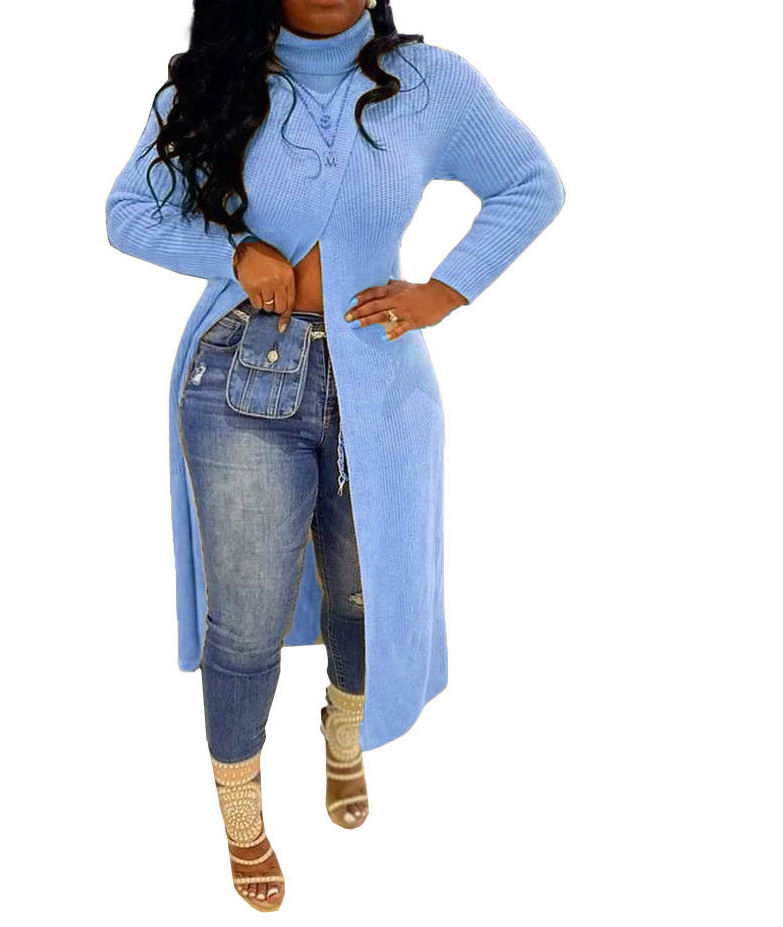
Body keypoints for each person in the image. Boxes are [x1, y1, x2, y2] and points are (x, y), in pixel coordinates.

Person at [106, 0, 564, 911]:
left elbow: (529, 183)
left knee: (366, 590)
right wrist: (234, 251)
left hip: (382, 384)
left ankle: (343, 732)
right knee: (244, 623)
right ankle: (242, 813)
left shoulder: (429, 83)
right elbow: (127, 213)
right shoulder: (219, 82)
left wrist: (445, 290)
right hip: (240, 377)